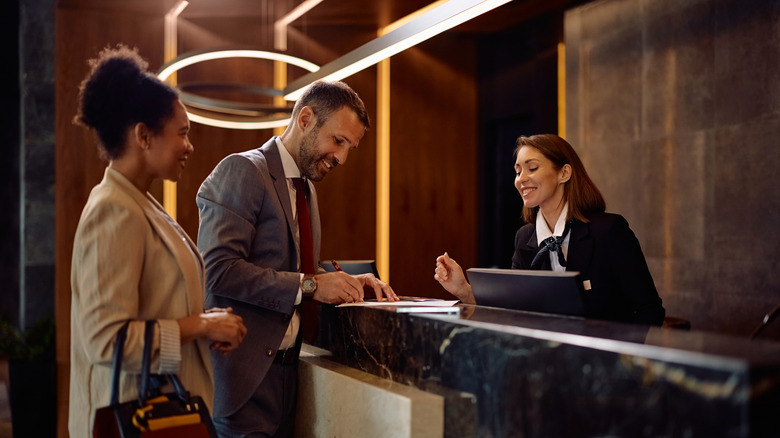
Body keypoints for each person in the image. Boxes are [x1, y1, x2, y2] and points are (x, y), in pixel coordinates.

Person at [196, 79, 399, 437]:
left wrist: (349, 281)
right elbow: (219, 270)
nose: (342, 158)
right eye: (338, 141)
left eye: (350, 147)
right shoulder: (242, 170)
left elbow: (288, 269)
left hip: (292, 376)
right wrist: (312, 284)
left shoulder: (305, 188)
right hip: (244, 383)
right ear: (305, 119)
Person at [69, 45, 247, 437]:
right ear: (143, 136)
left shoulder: (138, 203)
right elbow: (106, 341)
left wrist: (207, 324)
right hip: (141, 420)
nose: (190, 145)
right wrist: (199, 325)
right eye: (182, 133)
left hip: (165, 415)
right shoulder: (114, 210)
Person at [435, 134, 665, 326]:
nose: (520, 179)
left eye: (531, 168)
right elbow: (511, 314)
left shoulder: (609, 231)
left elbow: (649, 310)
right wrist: (464, 290)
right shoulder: (525, 238)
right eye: (517, 171)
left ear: (564, 173)